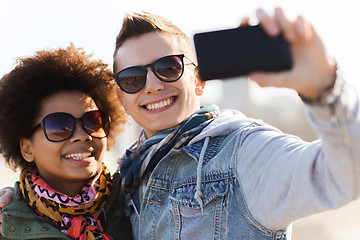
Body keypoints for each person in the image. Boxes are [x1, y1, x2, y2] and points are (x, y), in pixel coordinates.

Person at [1, 7, 360, 239]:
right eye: (132, 78)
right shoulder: (127, 181)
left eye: (168, 67)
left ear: (198, 80)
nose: (153, 84)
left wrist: (325, 88)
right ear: (123, 98)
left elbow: (344, 175)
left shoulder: (242, 152)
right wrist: (14, 203)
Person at [0, 45, 132, 239]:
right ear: (27, 148)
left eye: (93, 121)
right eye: (59, 125)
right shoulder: (6, 225)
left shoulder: (137, 201)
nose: (82, 135)